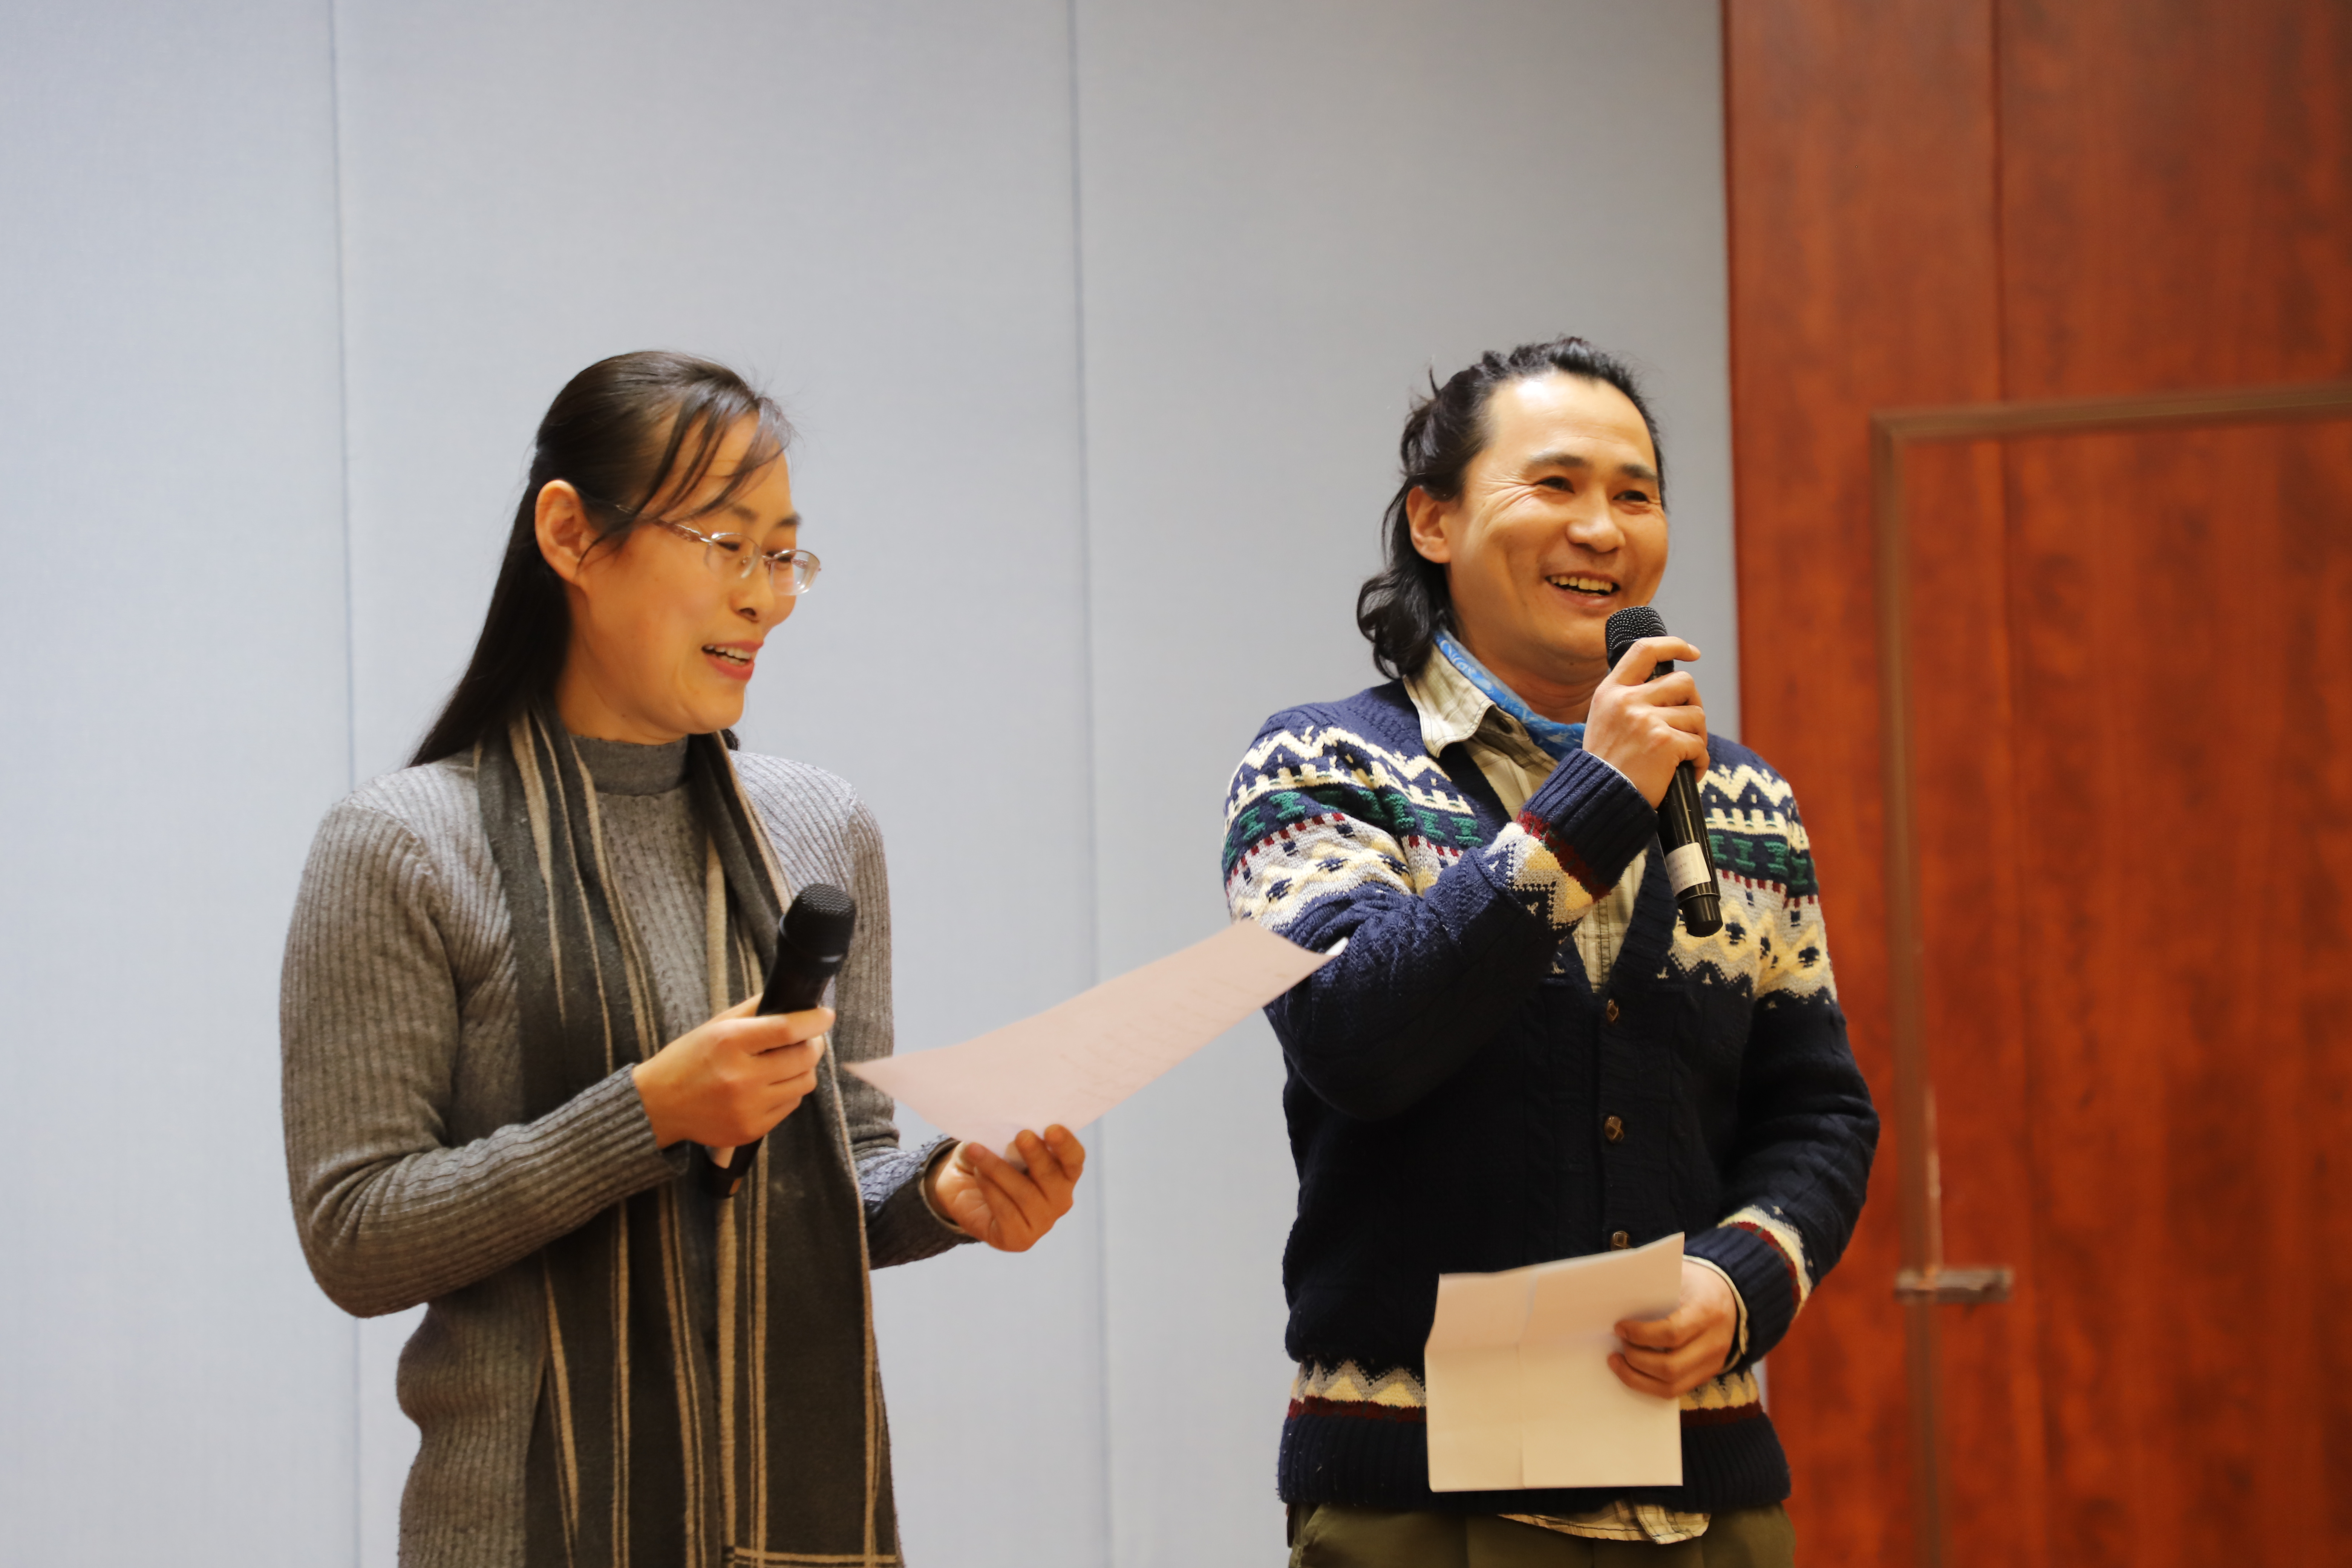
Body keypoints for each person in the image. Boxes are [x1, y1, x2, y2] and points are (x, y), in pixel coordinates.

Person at [281, 351, 1085, 1568]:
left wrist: (941, 1194)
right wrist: (646, 1115)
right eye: (727, 544)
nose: (768, 599)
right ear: (571, 535)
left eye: (786, 554)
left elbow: (839, 1172)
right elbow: (357, 1234)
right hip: (518, 1534)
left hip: (785, 1524)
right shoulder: (403, 844)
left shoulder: (821, 827)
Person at [1221, 337, 1878, 1566]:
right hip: (1423, 1499)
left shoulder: (1745, 801)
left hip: (1706, 1488)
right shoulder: (1320, 766)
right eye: (1557, 484)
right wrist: (1596, 799)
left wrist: (1741, 1280)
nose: (1602, 529)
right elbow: (1355, 1039)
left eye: (1636, 495)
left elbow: (1820, 1113)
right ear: (1434, 520)